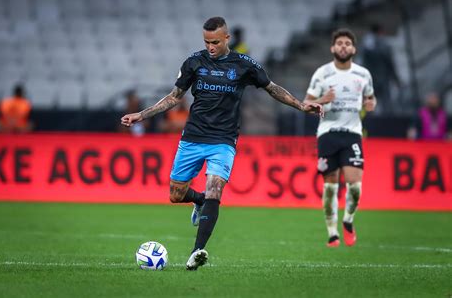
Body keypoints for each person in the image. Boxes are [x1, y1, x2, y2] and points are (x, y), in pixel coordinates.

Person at [121, 17, 323, 270]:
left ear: (227, 38)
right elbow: (174, 98)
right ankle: (198, 200)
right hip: (193, 136)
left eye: (215, 42)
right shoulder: (194, 62)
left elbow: (272, 89)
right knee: (176, 194)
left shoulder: (244, 65)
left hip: (223, 140)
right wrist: (142, 114)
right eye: (206, 42)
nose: (210, 47)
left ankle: (197, 251)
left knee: (215, 188)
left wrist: (302, 105)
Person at [304, 29, 376, 248]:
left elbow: (370, 98)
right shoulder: (322, 74)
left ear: (353, 49)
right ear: (332, 48)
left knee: (355, 187)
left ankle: (348, 220)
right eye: (340, 43)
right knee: (330, 188)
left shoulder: (363, 74)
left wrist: (371, 104)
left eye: (347, 44)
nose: (343, 47)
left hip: (353, 134)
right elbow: (306, 105)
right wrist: (323, 99)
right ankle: (332, 233)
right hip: (327, 134)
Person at [359, 24, 401, 114]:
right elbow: (389, 62)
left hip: (370, 79)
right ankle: (388, 123)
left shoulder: (365, 44)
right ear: (380, 32)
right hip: (383, 78)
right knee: (386, 105)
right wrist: (396, 79)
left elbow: (361, 62)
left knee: (369, 104)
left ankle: (368, 124)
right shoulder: (383, 44)